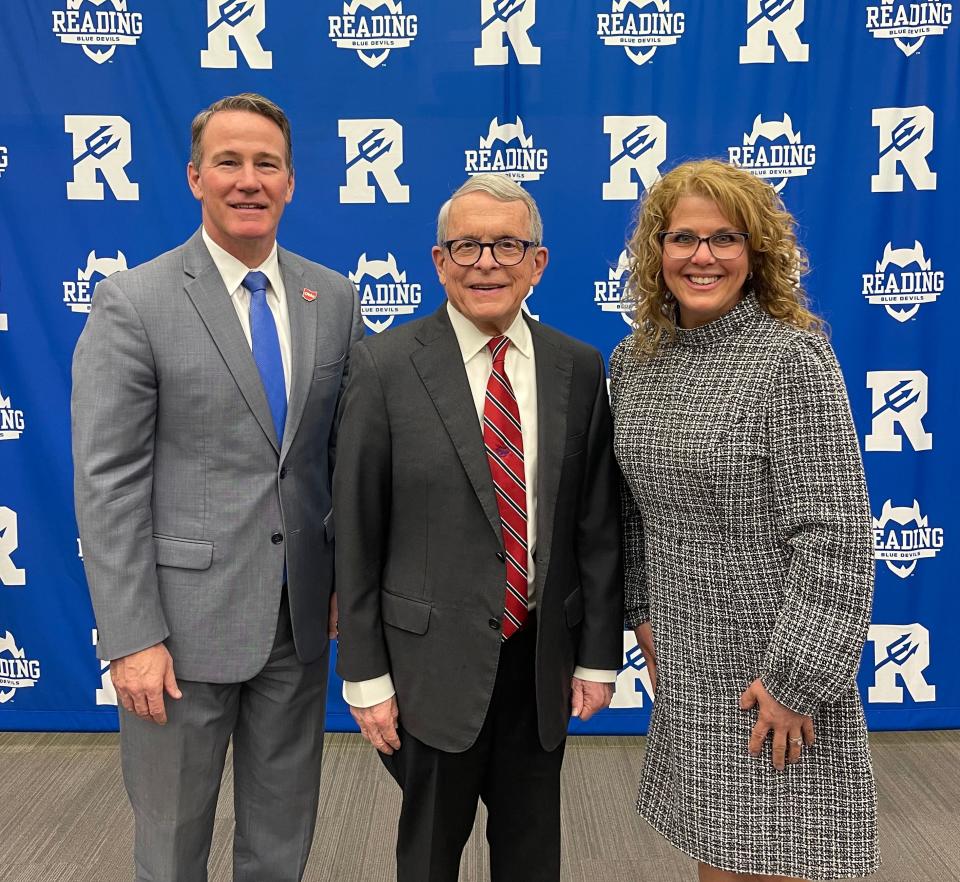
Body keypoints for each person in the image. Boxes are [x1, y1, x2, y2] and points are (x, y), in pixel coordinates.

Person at [72, 93, 363, 882]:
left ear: (291, 182)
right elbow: (107, 485)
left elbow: (342, 458)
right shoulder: (135, 301)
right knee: (171, 844)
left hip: (296, 626)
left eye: (266, 163)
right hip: (177, 633)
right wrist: (131, 637)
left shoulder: (331, 298)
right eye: (228, 162)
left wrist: (344, 584)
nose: (248, 180)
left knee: (282, 836)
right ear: (196, 176)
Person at [333, 173, 623, 882]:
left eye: (506, 245)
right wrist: (365, 677)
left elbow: (596, 524)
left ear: (538, 262)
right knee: (428, 858)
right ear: (438, 261)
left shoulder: (578, 367)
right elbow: (357, 532)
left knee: (531, 859)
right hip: (428, 673)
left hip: (539, 665)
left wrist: (595, 657)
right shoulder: (384, 365)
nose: (485, 262)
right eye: (466, 245)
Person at [610, 159, 880, 882]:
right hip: (687, 660)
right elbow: (632, 509)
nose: (702, 256)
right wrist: (642, 615)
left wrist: (798, 680)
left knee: (778, 856)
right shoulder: (635, 362)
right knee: (721, 855)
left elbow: (837, 539)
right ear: (656, 252)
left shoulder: (791, 358)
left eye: (725, 238)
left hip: (773, 666)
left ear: (754, 253)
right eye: (684, 238)